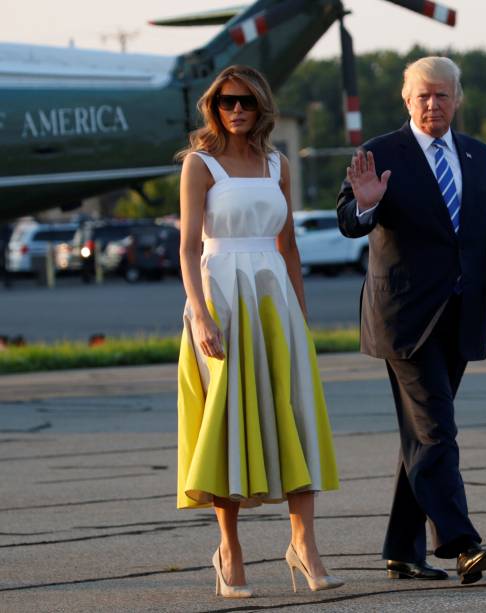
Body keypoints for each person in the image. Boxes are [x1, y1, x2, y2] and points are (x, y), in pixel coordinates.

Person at [336, 56, 486, 585]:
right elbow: (348, 219)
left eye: (443, 95)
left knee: (422, 437)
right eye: (423, 96)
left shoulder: (481, 156)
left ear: (458, 99)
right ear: (406, 100)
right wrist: (364, 208)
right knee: (436, 431)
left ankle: (402, 551)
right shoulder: (379, 154)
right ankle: (461, 542)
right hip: (403, 317)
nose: (433, 104)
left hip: (461, 314)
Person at [175, 65, 341, 599]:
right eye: (226, 102)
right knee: (228, 420)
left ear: (261, 104)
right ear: (213, 107)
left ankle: (304, 545)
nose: (237, 109)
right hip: (220, 296)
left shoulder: (277, 164)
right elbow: (187, 248)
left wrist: (302, 315)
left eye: (246, 100)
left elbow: (288, 246)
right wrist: (199, 314)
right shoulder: (199, 165)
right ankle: (230, 550)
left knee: (294, 414)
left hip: (275, 301)